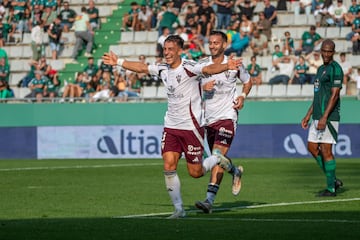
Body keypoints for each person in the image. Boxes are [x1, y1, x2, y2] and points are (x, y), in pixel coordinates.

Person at [102, 35, 242, 219]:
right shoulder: (163, 69)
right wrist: (118, 61)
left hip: (191, 128)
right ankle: (179, 209)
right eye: (164, 49)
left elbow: (209, 67)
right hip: (171, 127)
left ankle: (217, 160)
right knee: (169, 165)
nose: (166, 53)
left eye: (170, 49)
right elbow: (143, 68)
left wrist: (226, 66)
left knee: (196, 172)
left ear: (179, 51)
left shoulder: (190, 68)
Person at [195, 30, 252, 213]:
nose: (212, 46)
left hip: (228, 116)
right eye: (210, 43)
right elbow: (189, 85)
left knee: (217, 155)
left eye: (216, 43)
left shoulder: (233, 64)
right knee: (216, 159)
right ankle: (235, 171)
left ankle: (209, 201)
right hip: (208, 119)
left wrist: (242, 96)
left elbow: (248, 81)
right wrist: (203, 87)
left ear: (224, 45)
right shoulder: (202, 65)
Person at [301, 39, 344, 197]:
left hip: (329, 117)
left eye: (329, 51)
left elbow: (335, 94)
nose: (326, 54)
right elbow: (318, 95)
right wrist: (308, 114)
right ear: (321, 51)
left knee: (326, 150)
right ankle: (332, 179)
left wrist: (325, 117)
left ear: (333, 52)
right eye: (324, 51)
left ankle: (331, 188)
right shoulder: (320, 69)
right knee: (312, 147)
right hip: (317, 116)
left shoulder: (336, 69)